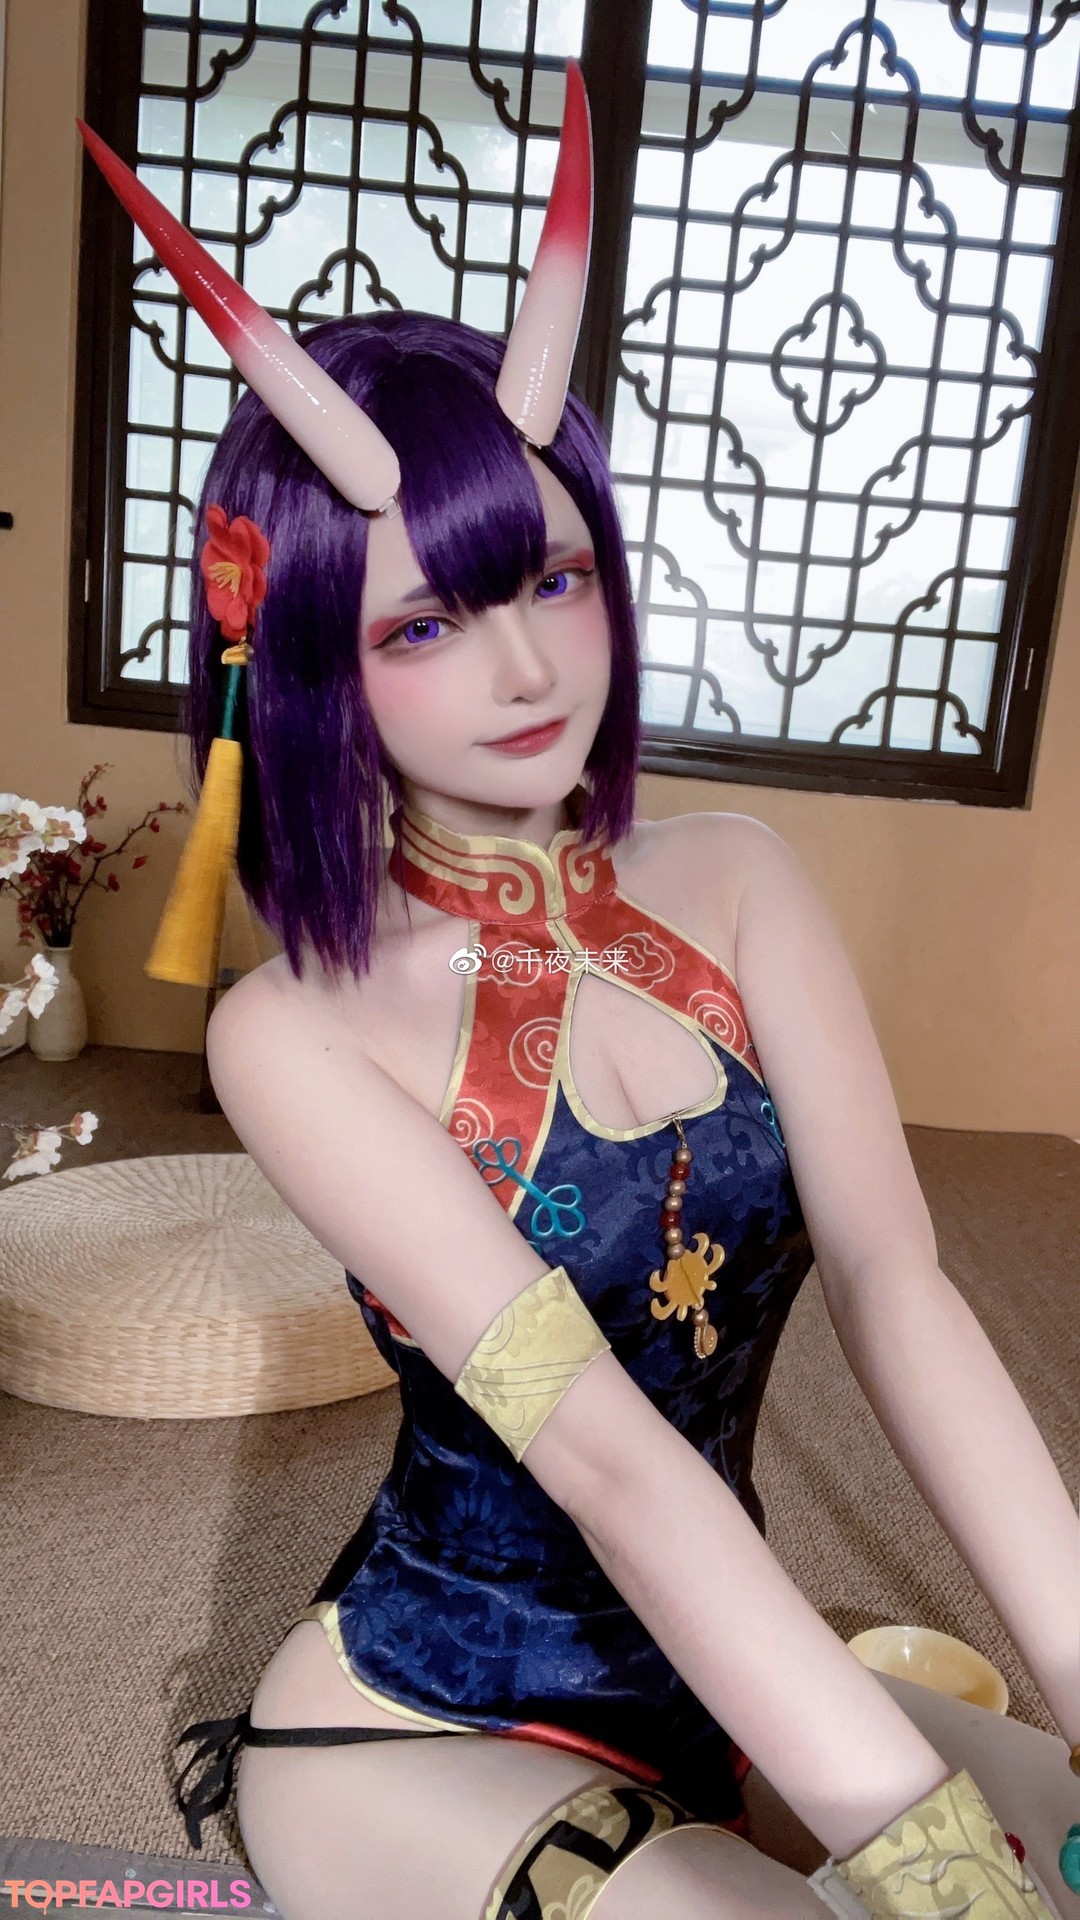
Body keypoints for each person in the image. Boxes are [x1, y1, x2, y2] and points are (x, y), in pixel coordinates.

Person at [79, 68, 1078, 1920]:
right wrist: (930, 1862)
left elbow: (900, 1283)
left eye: (552, 577)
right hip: (426, 1729)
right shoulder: (291, 1031)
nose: (531, 667)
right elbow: (604, 1453)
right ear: (311, 667)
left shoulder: (742, 878)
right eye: (424, 623)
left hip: (729, 1669)